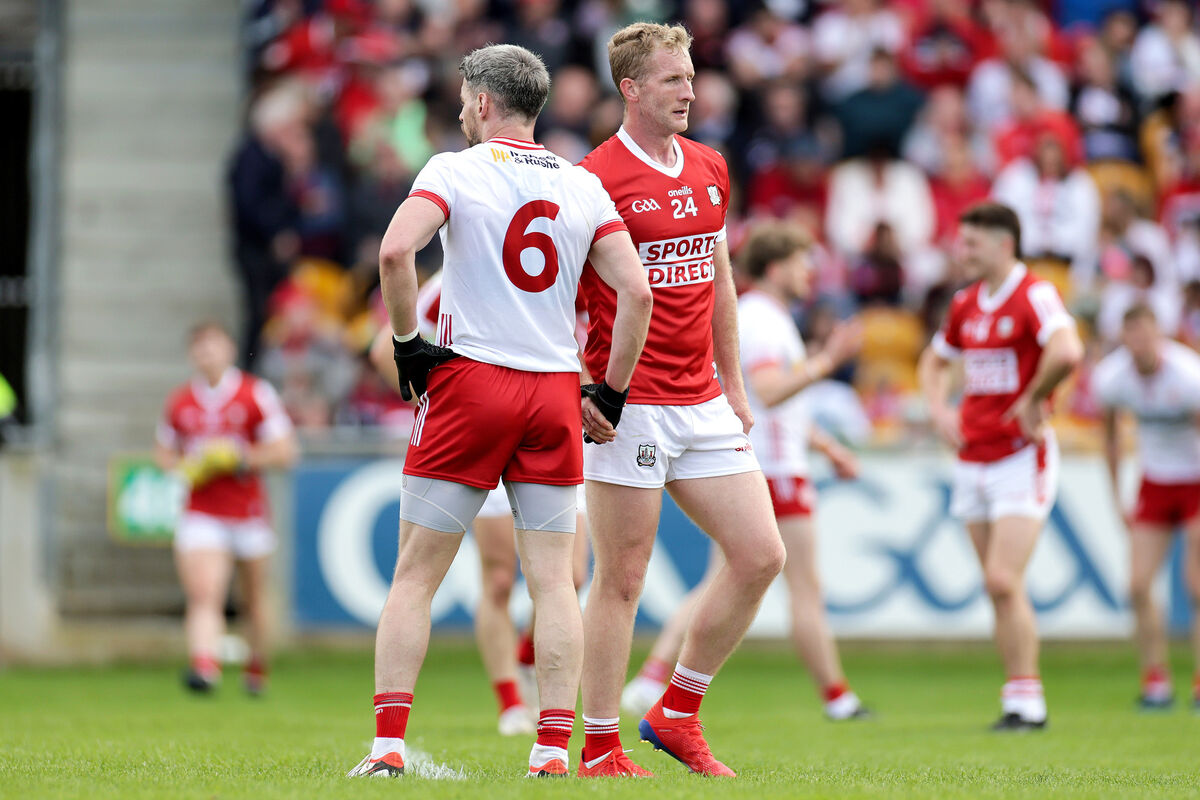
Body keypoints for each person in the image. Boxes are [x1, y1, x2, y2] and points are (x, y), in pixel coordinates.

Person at [347, 44, 652, 779]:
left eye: (462, 99)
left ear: (482, 103)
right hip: (553, 390)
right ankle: (551, 751)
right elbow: (637, 293)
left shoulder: (455, 168)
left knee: (416, 575)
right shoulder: (583, 185)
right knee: (554, 581)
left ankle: (388, 744)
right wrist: (608, 392)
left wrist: (407, 344)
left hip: (471, 384)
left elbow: (395, 254)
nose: (459, 110)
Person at [574, 22, 787, 778]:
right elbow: (559, 296)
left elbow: (719, 278)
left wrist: (733, 382)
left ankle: (677, 711)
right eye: (672, 80)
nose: (689, 91)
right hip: (627, 406)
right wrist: (581, 388)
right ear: (630, 88)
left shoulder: (708, 165)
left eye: (691, 77)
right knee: (623, 578)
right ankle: (599, 746)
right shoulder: (592, 179)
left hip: (701, 400)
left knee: (762, 555)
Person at [622, 223, 869, 721]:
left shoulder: (764, 316)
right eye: (801, 263)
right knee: (801, 587)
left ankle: (650, 680)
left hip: (765, 460)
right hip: (772, 469)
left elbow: (774, 405)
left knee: (723, 581)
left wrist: (825, 445)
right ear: (776, 267)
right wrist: (828, 361)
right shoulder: (762, 318)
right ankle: (837, 697)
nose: (810, 274)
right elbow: (771, 390)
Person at [367, 273, 593, 737]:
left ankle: (530, 661)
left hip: (547, 415)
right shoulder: (469, 263)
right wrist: (435, 395)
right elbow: (382, 343)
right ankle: (510, 700)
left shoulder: (581, 265)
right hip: (483, 415)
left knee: (569, 576)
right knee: (498, 578)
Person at [918, 201, 1083, 731]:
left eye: (971, 243)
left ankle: (1028, 699)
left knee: (1001, 578)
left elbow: (1068, 350)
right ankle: (1020, 696)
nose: (961, 252)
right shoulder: (966, 303)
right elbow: (934, 359)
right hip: (973, 458)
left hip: (1019, 455)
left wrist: (1037, 395)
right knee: (1000, 588)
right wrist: (939, 408)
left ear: (1003, 243)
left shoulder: (1033, 292)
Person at [154, 321, 299, 695]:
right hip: (201, 510)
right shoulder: (181, 401)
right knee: (205, 592)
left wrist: (238, 458)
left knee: (254, 600)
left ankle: (256, 665)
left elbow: (285, 451)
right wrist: (187, 467)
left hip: (248, 511)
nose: (207, 355)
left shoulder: (254, 394)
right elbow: (165, 453)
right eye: (199, 349)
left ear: (230, 350)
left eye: (213, 346)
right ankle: (205, 667)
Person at [1092, 304, 1200, 710]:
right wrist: (1117, 496)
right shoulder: (1112, 378)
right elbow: (1110, 438)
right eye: (1131, 334)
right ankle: (1156, 679)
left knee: (1196, 586)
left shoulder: (1189, 376)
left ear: (1159, 335)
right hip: (1154, 483)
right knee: (1137, 585)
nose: (1139, 343)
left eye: (1145, 334)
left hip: (1194, 481)